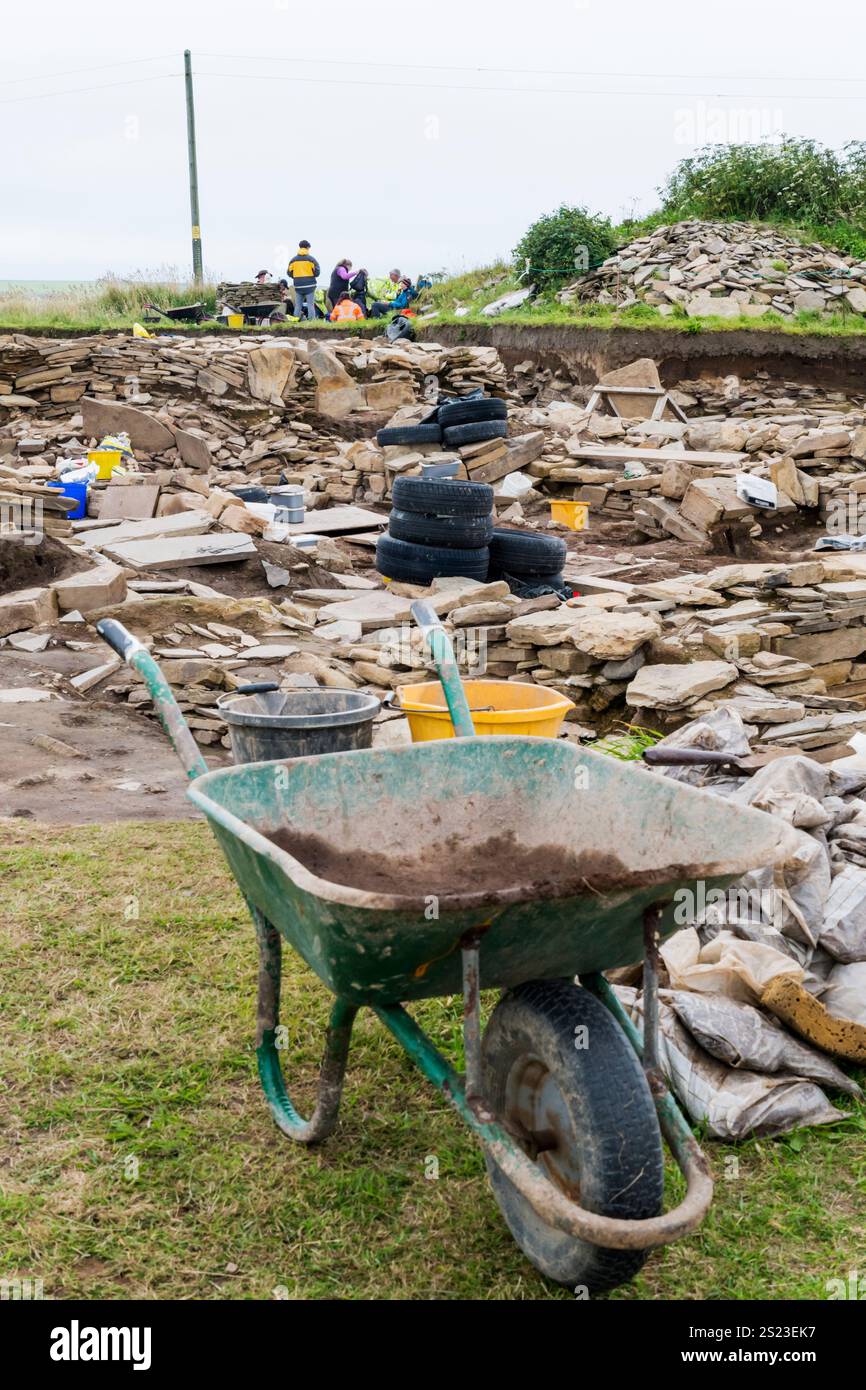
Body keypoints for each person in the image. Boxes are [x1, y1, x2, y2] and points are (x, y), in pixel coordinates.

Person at [287, 240, 320, 320]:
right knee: (310, 305)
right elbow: (317, 272)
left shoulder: (293, 260)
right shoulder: (311, 259)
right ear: (308, 247)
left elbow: (289, 272)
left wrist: (296, 277)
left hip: (298, 286)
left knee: (298, 305)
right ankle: (311, 321)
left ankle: (295, 320)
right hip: (310, 285)